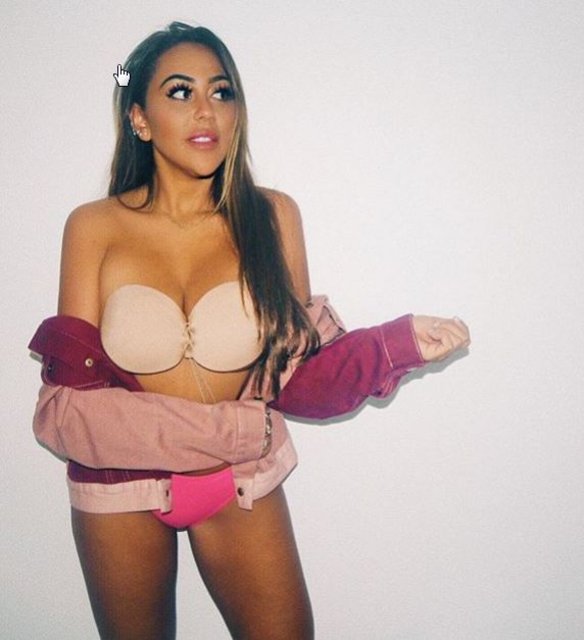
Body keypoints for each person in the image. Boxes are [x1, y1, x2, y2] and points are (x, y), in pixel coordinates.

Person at [30, 22, 470, 640]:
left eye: (222, 91)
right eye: (180, 92)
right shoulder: (93, 226)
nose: (206, 110)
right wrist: (235, 431)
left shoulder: (272, 215)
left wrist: (396, 345)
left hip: (236, 483)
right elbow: (66, 410)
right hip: (119, 490)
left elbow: (298, 380)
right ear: (139, 118)